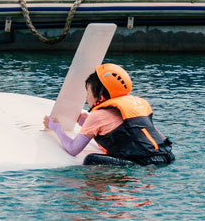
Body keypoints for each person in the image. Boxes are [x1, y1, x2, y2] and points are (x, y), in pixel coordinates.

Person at [43, 63, 175, 166]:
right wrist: (85, 123)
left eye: (88, 93)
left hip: (142, 164)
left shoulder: (97, 115)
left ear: (100, 97)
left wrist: (55, 127)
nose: (87, 98)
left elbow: (73, 149)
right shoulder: (139, 104)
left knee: (91, 159)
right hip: (168, 156)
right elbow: (124, 133)